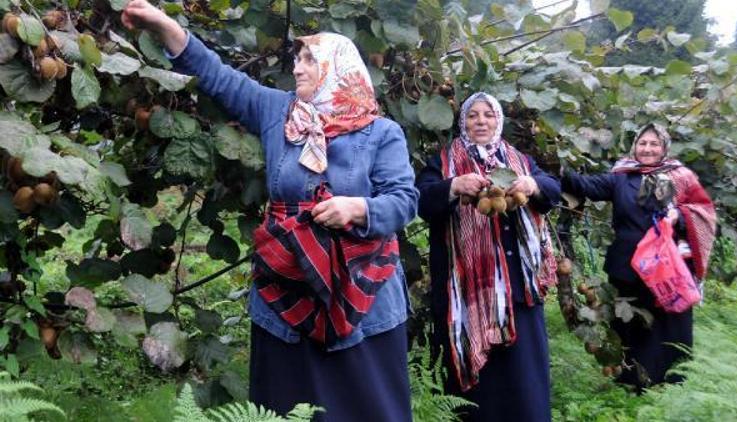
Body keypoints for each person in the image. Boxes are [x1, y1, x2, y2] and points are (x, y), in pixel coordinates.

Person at [121, 2, 419, 420]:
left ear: (337, 66)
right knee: (286, 399)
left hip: (359, 287)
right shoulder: (279, 112)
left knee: (364, 402)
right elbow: (217, 76)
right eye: (296, 60)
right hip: (288, 281)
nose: (297, 68)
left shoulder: (381, 132)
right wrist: (166, 26)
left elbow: (404, 200)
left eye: (309, 60)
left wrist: (359, 207)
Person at [415, 92, 560, 421]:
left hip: (519, 293)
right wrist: (453, 185)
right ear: (462, 122)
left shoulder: (518, 161)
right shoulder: (443, 162)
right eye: (473, 116)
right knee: (480, 394)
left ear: (499, 121)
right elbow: (420, 201)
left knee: (524, 377)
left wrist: (531, 184)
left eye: (489, 115)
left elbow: (551, 189)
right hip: (467, 294)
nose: (481, 121)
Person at [561, 123, 716, 391]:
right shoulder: (621, 177)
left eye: (654, 144)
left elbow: (704, 211)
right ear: (635, 147)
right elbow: (587, 186)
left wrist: (680, 216)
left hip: (667, 270)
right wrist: (559, 168)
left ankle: (670, 382)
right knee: (629, 324)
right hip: (628, 268)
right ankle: (631, 381)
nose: (647, 149)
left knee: (669, 325)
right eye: (643, 143)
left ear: (664, 148)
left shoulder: (680, 176)